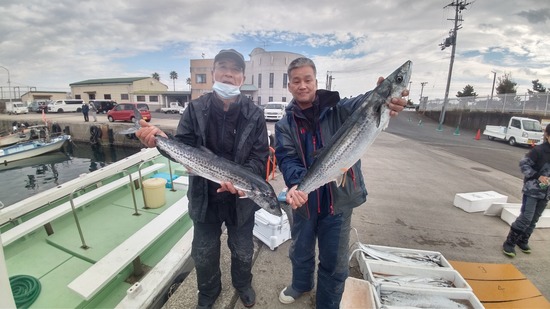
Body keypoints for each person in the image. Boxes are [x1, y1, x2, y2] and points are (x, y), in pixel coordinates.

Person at [135, 49, 268, 309]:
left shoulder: (255, 114)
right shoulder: (195, 108)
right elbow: (182, 148)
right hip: (203, 197)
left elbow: (260, 157)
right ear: (213, 73)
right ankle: (208, 291)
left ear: (242, 77)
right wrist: (160, 141)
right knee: (204, 252)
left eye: (236, 69)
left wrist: (240, 181)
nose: (229, 73)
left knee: (242, 250)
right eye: (223, 67)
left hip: (241, 199)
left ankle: (242, 283)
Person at [274, 57, 408, 308]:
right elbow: (287, 157)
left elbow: (364, 103)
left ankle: (328, 304)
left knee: (334, 261)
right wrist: (295, 184)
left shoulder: (340, 108)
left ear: (316, 81)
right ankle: (301, 284)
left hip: (339, 200)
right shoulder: (284, 125)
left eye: (308, 79)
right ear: (289, 86)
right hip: (305, 202)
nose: (302, 85)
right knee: (300, 250)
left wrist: (380, 93)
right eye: (296, 81)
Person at [502, 123, 550, 257]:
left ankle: (523, 240)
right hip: (532, 191)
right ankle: (509, 242)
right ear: (547, 135)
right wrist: (537, 176)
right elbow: (524, 164)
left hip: (546, 193)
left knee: (535, 218)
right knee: (526, 217)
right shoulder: (538, 150)